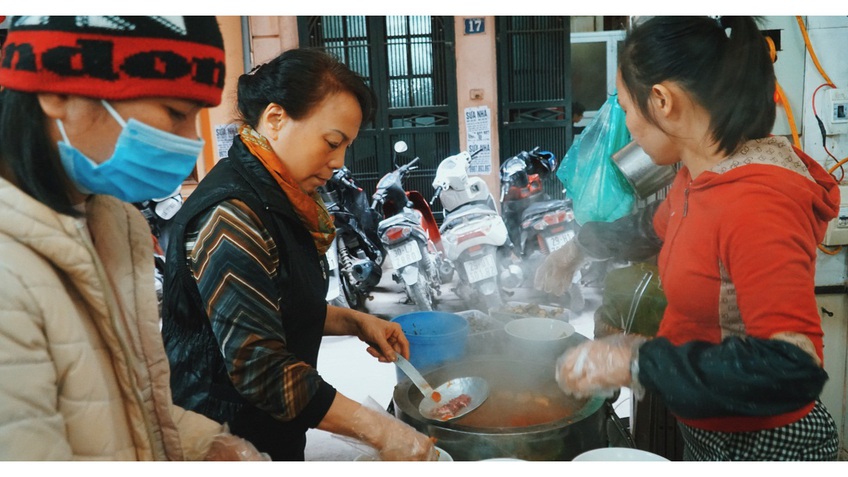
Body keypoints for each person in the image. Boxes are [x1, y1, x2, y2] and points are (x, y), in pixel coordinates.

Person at [535, 16, 840, 461]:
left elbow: (793, 368)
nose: (626, 124)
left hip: (764, 449)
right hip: (710, 430)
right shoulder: (697, 178)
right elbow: (649, 228)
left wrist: (635, 360)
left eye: (624, 107)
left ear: (661, 101)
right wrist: (577, 248)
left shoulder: (755, 204)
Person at [0, 16, 264, 460]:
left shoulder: (114, 224)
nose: (190, 141)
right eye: (176, 114)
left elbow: (127, 405)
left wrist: (208, 444)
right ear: (58, 91)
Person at [160, 47, 437, 461]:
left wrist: (358, 322)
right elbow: (261, 368)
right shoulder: (231, 216)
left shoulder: (282, 198)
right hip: (222, 441)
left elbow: (274, 306)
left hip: (270, 435)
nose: (339, 161)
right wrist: (382, 430)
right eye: (332, 142)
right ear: (275, 119)